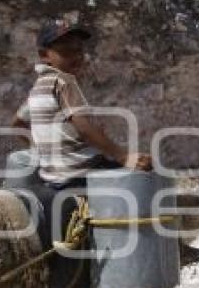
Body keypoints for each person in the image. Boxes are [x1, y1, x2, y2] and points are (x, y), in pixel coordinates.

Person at [13, 18, 152, 190]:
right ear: (44, 55)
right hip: (81, 173)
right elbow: (84, 128)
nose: (76, 56)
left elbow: (17, 123)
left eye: (78, 50)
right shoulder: (64, 82)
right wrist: (122, 156)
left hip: (54, 176)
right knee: (147, 172)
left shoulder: (37, 89)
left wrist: (42, 152)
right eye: (65, 51)